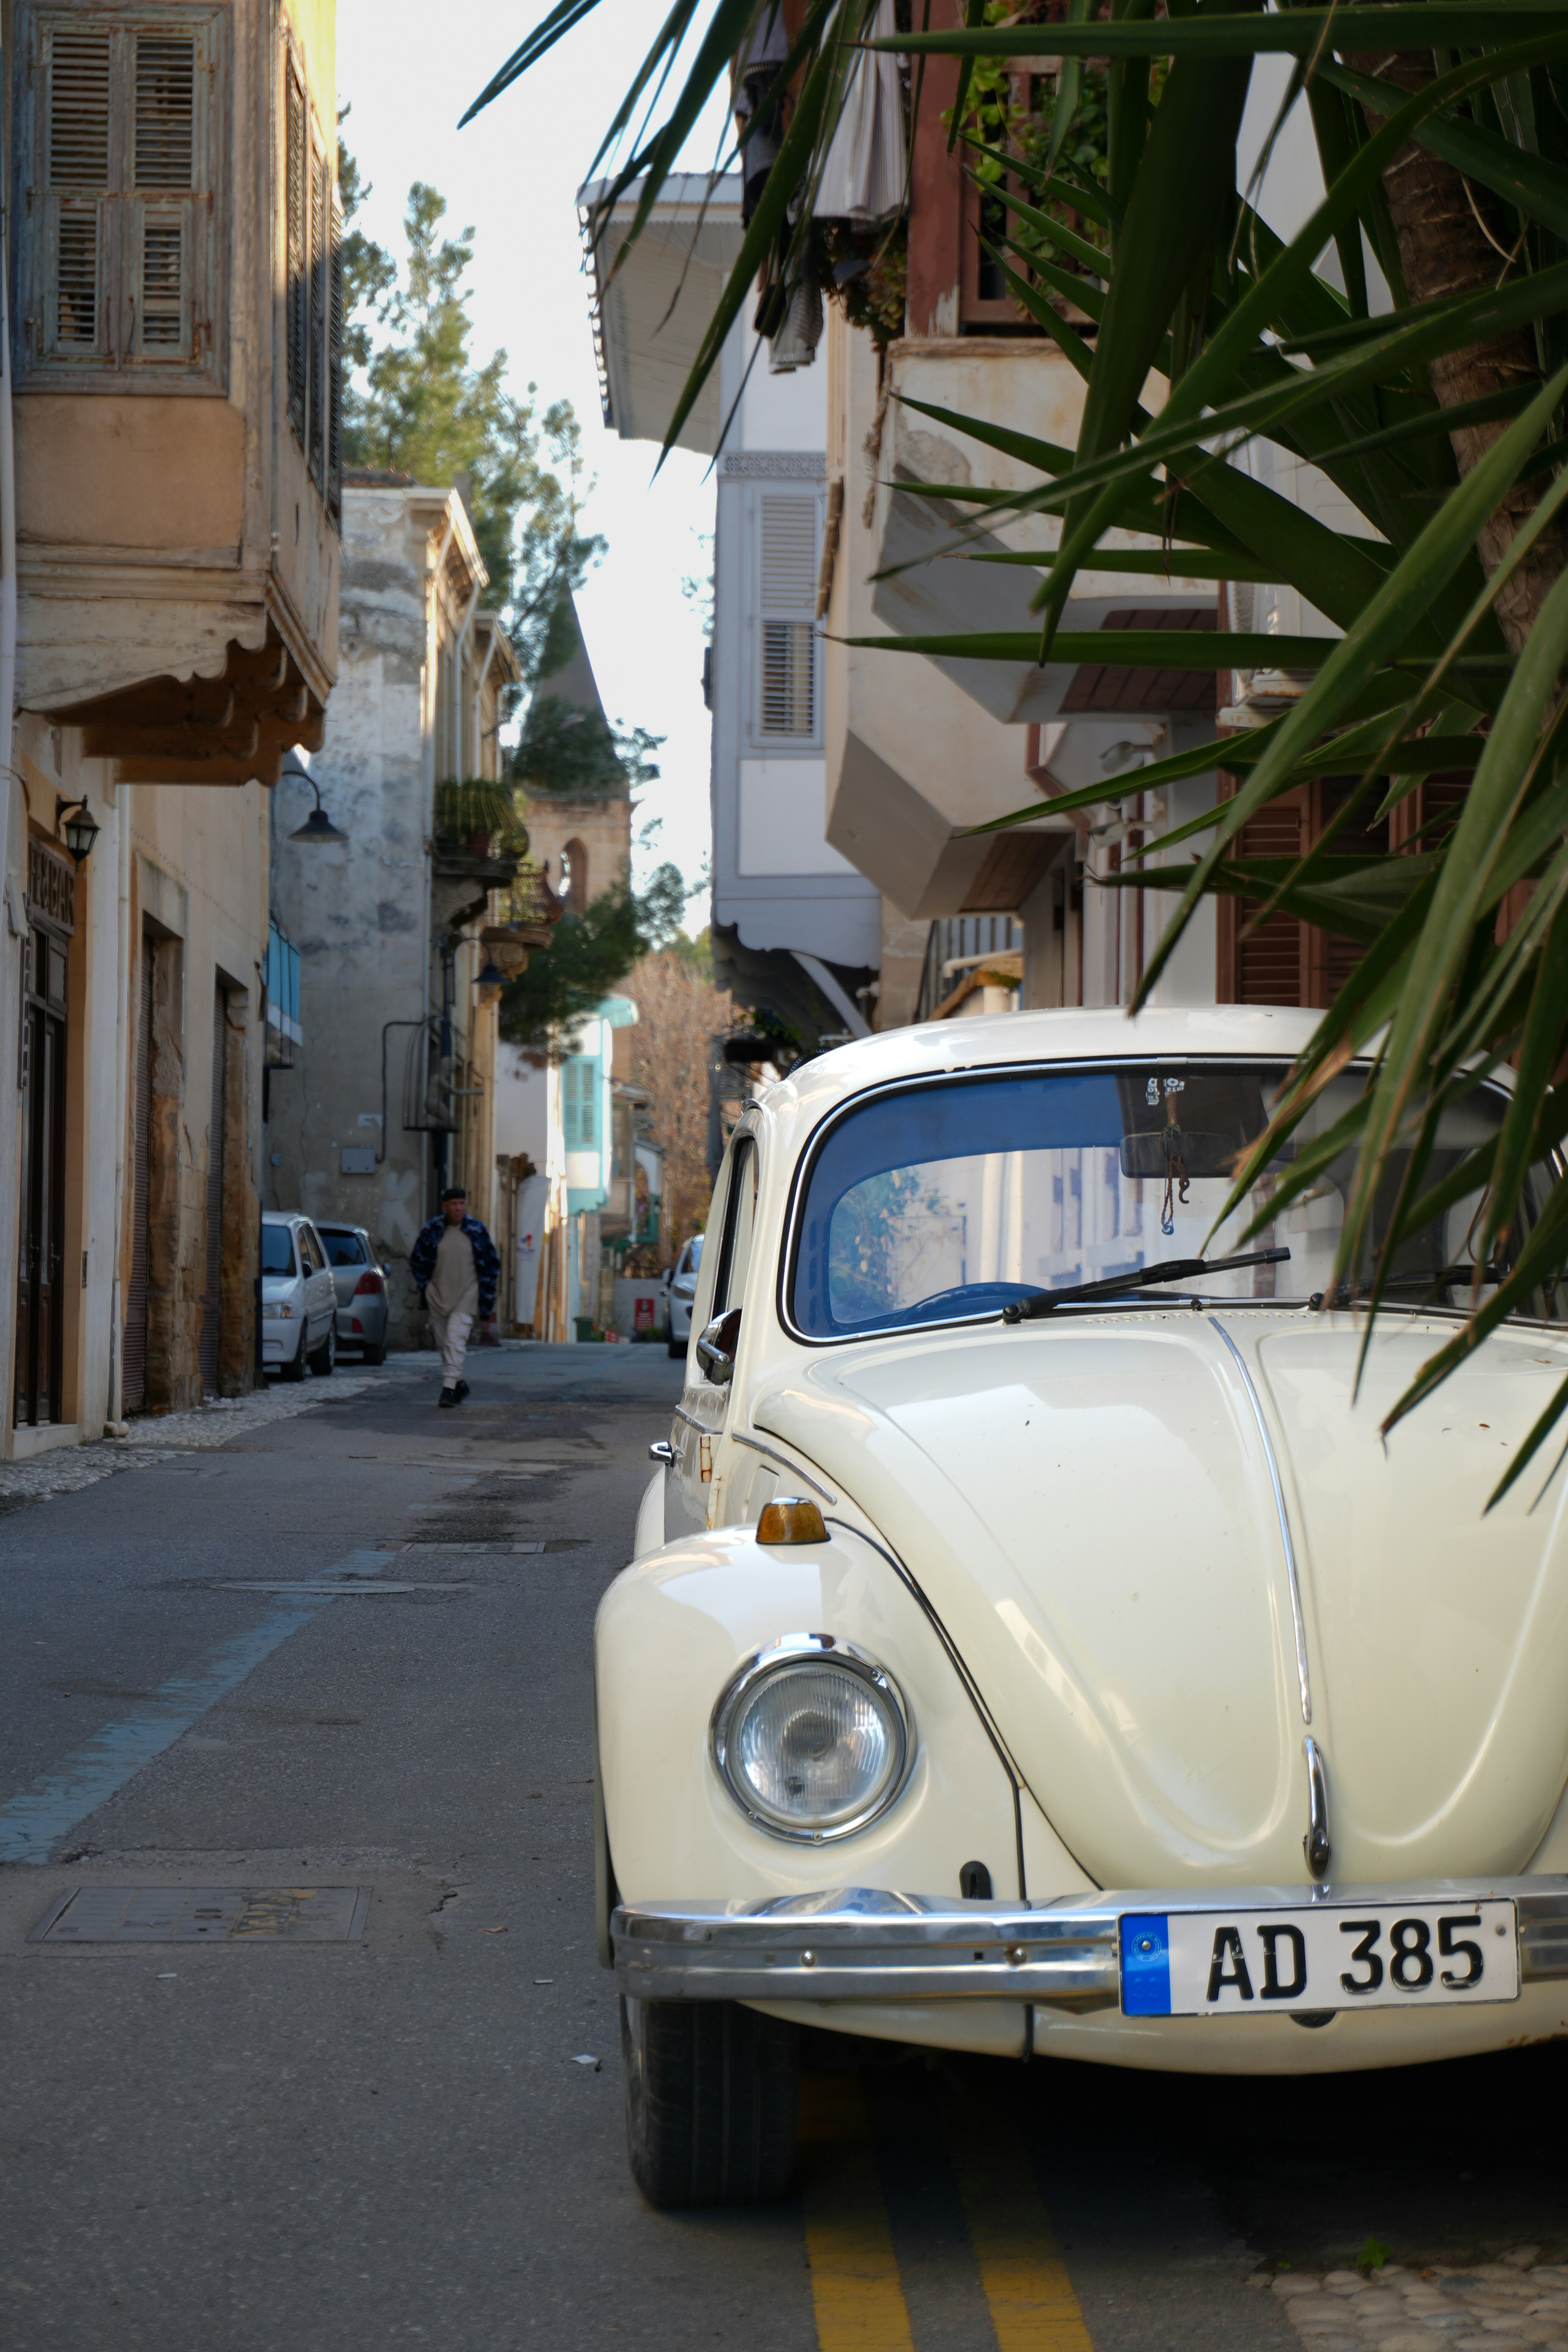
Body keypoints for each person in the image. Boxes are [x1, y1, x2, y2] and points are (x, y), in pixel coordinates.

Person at [409, 1186, 501, 1408]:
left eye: (462, 1204)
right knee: (444, 1345)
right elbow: (417, 1261)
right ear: (445, 1207)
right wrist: (426, 1286)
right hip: (438, 1296)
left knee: (455, 1341)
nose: (458, 1208)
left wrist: (486, 1301)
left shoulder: (477, 1231)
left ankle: (448, 1390)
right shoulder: (432, 1230)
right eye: (454, 1204)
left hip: (467, 1295)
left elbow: (491, 1266)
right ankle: (459, 1384)